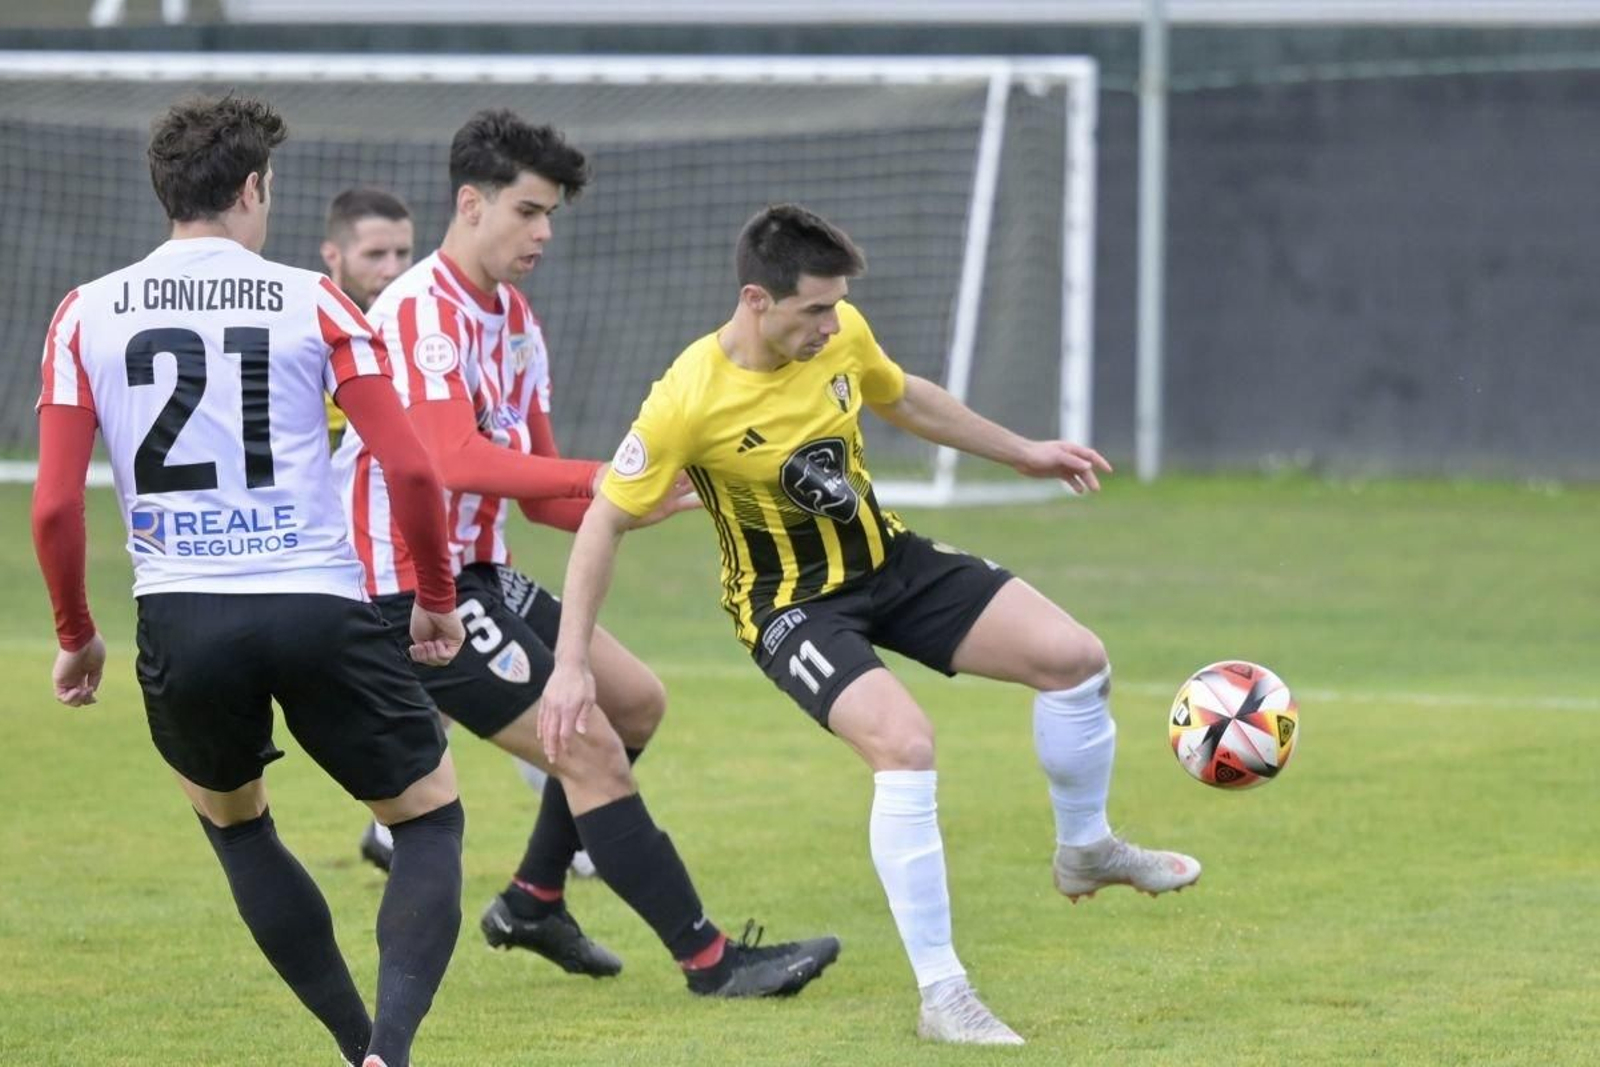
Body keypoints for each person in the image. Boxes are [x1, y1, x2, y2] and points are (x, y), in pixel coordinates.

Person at [540, 204, 1204, 1046]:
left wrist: (1023, 450)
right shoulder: (686, 399)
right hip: (791, 608)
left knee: (1075, 658)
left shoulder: (842, 331)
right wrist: (572, 665)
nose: (831, 323)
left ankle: (1087, 846)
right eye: (813, 309)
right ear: (757, 299)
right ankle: (944, 994)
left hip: (888, 564)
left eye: (835, 305)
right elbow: (602, 521)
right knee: (906, 743)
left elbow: (902, 395)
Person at [332, 109, 839, 997]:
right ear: (471, 203)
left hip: (478, 570)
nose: (543, 233)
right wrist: (612, 470)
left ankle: (532, 899)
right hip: (406, 591)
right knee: (591, 746)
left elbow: (536, 492)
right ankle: (712, 961)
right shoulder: (418, 310)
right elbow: (450, 459)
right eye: (529, 211)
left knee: (636, 703)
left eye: (551, 214)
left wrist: (649, 498)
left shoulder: (518, 321)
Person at [31, 94, 468, 1067]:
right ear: (252, 187)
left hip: (181, 615)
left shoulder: (84, 311)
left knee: (238, 830)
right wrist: (436, 594)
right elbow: (412, 467)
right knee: (429, 818)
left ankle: (352, 1040)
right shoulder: (314, 300)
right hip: (312, 598)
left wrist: (76, 631)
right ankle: (387, 1052)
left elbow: (56, 506)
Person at [316, 184, 595, 880]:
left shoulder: (471, 323)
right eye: (373, 252)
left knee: (602, 712)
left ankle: (541, 866)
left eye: (400, 251)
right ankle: (557, 858)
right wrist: (612, 479)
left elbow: (491, 463)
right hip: (370, 567)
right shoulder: (326, 334)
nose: (389, 265)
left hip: (459, 559)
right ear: (334, 257)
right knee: (552, 729)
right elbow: (440, 459)